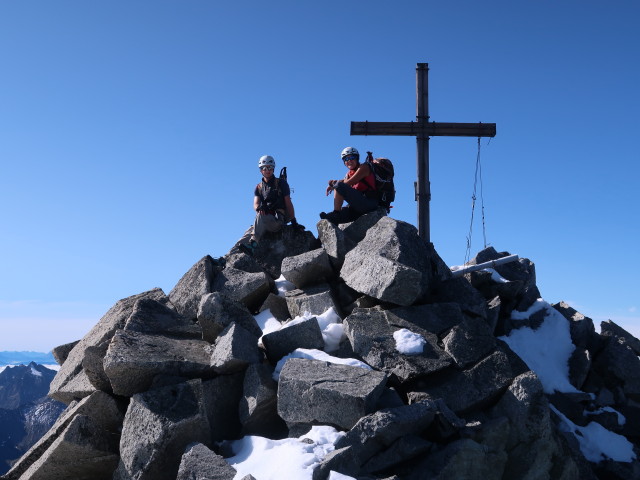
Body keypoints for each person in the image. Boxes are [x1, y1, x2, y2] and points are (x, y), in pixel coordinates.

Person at [240, 155, 297, 255]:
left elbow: (288, 202)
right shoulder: (258, 187)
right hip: (264, 220)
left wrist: (294, 221)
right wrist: (259, 207)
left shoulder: (281, 183)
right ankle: (225, 259)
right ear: (261, 170)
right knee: (247, 233)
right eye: (264, 168)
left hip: (277, 220)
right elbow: (256, 204)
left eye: (270, 168)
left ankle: (253, 245)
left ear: (273, 169)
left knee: (260, 216)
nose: (267, 170)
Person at [320, 146, 380, 224]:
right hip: (358, 206)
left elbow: (348, 182)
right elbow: (344, 181)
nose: (349, 161)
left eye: (352, 157)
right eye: (346, 159)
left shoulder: (364, 167)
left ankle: (336, 213)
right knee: (329, 218)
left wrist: (333, 184)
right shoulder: (349, 174)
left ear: (357, 158)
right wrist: (333, 184)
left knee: (338, 186)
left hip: (369, 203)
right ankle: (335, 218)